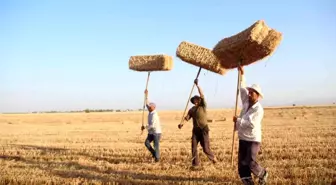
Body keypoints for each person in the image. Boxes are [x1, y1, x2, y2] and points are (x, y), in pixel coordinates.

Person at [233, 66, 268, 185]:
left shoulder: (258, 109)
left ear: (257, 95)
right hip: (243, 137)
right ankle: (248, 182)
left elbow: (251, 124)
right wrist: (242, 74)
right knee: (242, 164)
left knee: (250, 162)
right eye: (249, 92)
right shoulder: (246, 101)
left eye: (252, 92)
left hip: (253, 139)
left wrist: (238, 120)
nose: (249, 94)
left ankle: (262, 173)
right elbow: (242, 89)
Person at [178, 79, 217, 167]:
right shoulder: (191, 109)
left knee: (206, 149)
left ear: (199, 100)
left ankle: (213, 158)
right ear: (193, 101)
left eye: (197, 99)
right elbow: (187, 118)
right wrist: (181, 124)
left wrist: (197, 85)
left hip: (204, 129)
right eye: (194, 99)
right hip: (195, 131)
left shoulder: (203, 106)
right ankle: (195, 164)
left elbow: (202, 94)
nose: (196, 100)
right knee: (194, 148)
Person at [141, 89, 162, 162]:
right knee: (147, 143)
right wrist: (146, 95)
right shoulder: (150, 111)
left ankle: (157, 158)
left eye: (150, 107)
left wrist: (145, 127)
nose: (148, 107)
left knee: (156, 146)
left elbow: (152, 125)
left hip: (156, 133)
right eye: (149, 106)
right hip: (151, 132)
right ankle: (154, 153)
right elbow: (147, 103)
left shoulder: (154, 115)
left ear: (153, 107)